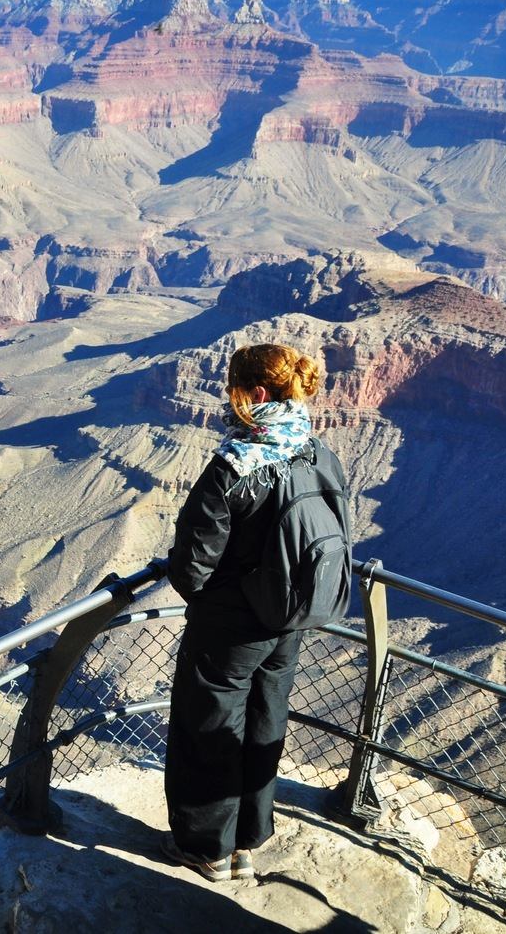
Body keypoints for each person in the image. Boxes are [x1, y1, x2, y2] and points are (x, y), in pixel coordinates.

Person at [161, 342, 349, 883]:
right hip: (288, 617)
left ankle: (206, 849)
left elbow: (193, 563)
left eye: (235, 391)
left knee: (211, 728)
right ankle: (249, 841)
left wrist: (204, 592)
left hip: (231, 625)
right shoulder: (315, 450)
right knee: (266, 719)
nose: (231, 400)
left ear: (257, 394)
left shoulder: (237, 462)